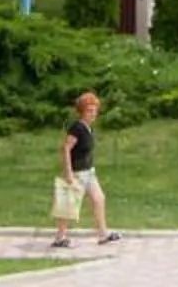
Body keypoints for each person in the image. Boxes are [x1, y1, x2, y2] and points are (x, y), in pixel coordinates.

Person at [53, 90, 119, 249]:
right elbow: (66, 148)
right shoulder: (77, 127)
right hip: (77, 172)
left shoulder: (89, 129)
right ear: (82, 112)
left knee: (99, 198)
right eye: (89, 111)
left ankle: (103, 234)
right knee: (69, 205)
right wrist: (68, 171)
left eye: (94, 110)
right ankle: (60, 238)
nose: (93, 114)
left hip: (89, 172)